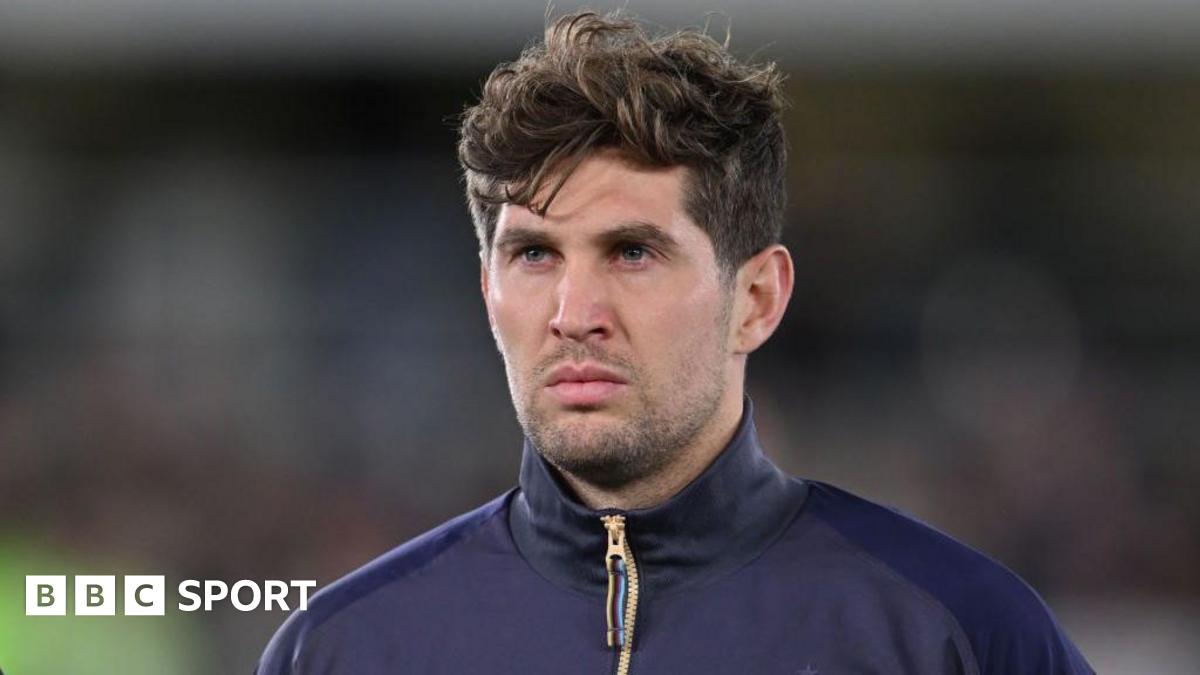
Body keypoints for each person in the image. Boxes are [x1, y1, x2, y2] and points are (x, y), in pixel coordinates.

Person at [257, 11, 1093, 674]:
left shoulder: (957, 632)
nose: (574, 312)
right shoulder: (344, 650)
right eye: (535, 255)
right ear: (488, 293)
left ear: (756, 300)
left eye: (632, 252)